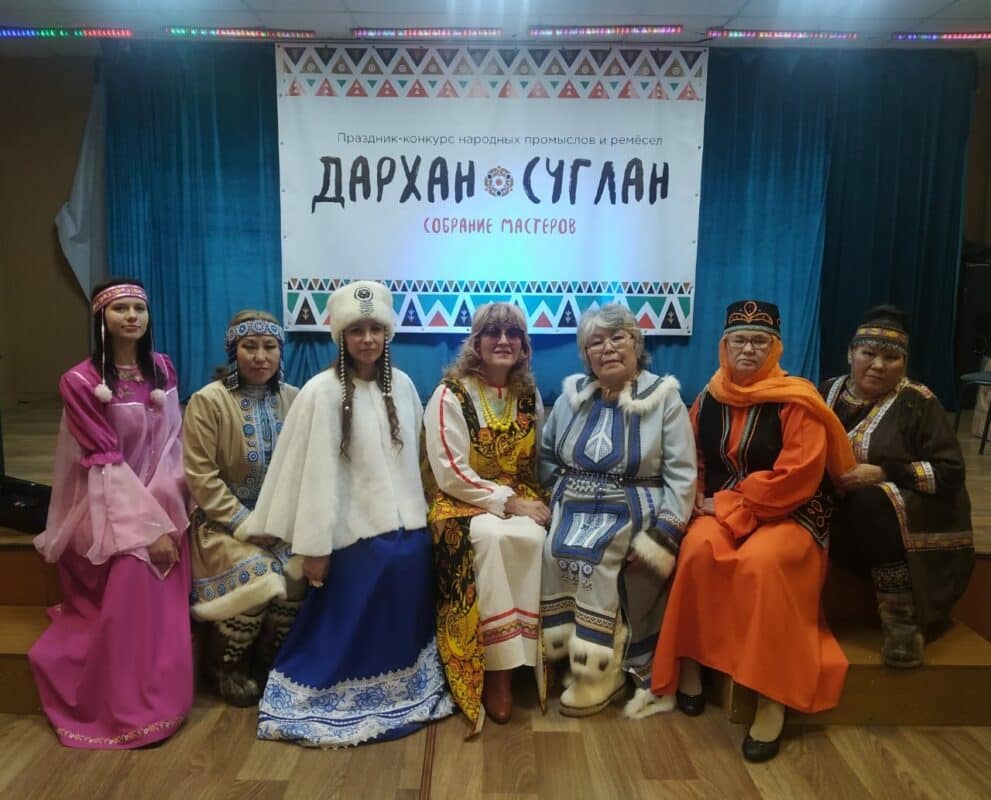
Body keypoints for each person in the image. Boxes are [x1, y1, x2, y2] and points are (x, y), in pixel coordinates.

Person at [244, 281, 452, 746]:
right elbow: (316, 478)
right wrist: (315, 548)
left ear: (387, 333)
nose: (367, 339)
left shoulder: (403, 385)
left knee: (410, 560)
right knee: (376, 567)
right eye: (357, 330)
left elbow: (416, 463)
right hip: (348, 534)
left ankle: (405, 688)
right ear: (341, 336)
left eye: (375, 329)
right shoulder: (321, 392)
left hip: (407, 527)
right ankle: (337, 693)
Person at [651, 300, 857, 763]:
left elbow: (799, 476)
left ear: (776, 347)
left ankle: (771, 697)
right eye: (739, 340)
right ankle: (692, 663)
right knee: (697, 550)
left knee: (762, 563)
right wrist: (696, 498)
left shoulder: (797, 399)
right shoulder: (708, 397)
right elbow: (692, 459)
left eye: (759, 341)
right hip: (721, 509)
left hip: (789, 513)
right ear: (724, 346)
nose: (748, 349)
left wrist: (730, 504)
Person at [29, 278, 193, 748]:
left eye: (139, 308)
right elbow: (105, 463)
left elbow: (171, 445)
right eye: (121, 309)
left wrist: (165, 512)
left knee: (167, 557)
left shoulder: (162, 369)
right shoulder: (81, 382)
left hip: (159, 495)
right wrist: (147, 529)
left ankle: (163, 691)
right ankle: (125, 703)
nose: (132, 317)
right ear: (101, 316)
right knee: (135, 567)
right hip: (103, 500)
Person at [539, 304, 696, 719]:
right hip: (574, 501)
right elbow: (547, 455)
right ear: (585, 354)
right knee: (554, 549)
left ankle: (603, 671)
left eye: (617, 338)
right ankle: (572, 659)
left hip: (637, 504)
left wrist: (663, 535)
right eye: (595, 342)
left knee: (598, 556)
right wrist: (556, 495)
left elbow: (682, 474)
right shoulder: (572, 396)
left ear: (636, 345)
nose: (607, 348)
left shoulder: (664, 398)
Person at [821, 305, 974, 668]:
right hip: (841, 506)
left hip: (909, 510)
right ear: (850, 354)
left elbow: (951, 471)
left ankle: (901, 620)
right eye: (868, 353)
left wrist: (885, 472)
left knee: (871, 500)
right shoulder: (827, 392)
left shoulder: (918, 402)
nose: (878, 365)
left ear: (904, 363)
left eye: (891, 358)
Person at [423, 303, 549, 732]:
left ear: (524, 346)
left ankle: (522, 661)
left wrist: (538, 504)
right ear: (475, 343)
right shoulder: (450, 394)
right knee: (492, 537)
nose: (503, 340)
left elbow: (537, 462)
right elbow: (449, 471)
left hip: (518, 494)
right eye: (493, 332)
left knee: (532, 538)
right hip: (459, 499)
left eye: (513, 333)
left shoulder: (529, 397)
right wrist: (509, 504)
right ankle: (497, 670)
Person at [183, 310, 303, 706]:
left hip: (281, 524)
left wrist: (285, 522)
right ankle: (226, 665)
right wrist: (245, 523)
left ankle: (270, 662)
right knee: (260, 577)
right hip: (221, 525)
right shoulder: (208, 401)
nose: (260, 356)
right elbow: (201, 476)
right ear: (233, 351)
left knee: (299, 574)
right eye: (249, 347)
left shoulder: (294, 399)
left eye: (270, 347)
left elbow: (306, 468)